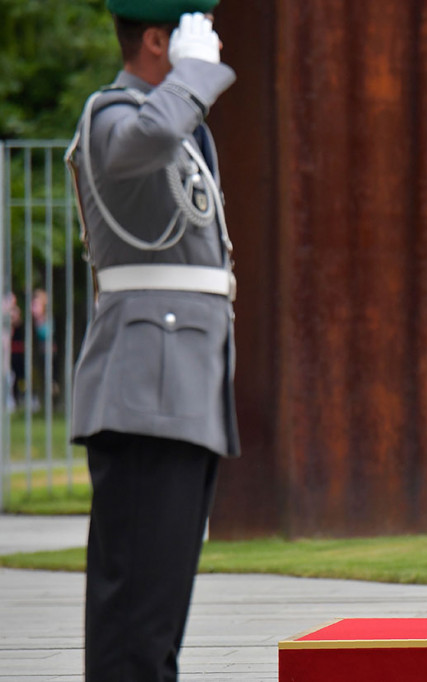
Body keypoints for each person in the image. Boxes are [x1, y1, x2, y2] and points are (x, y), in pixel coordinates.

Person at [64, 2, 239, 679]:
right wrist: (191, 79)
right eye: (197, 31)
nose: (214, 45)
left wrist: (187, 86)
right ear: (158, 39)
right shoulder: (112, 116)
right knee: (134, 615)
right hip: (146, 387)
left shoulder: (177, 127)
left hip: (183, 384)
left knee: (159, 611)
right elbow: (140, 141)